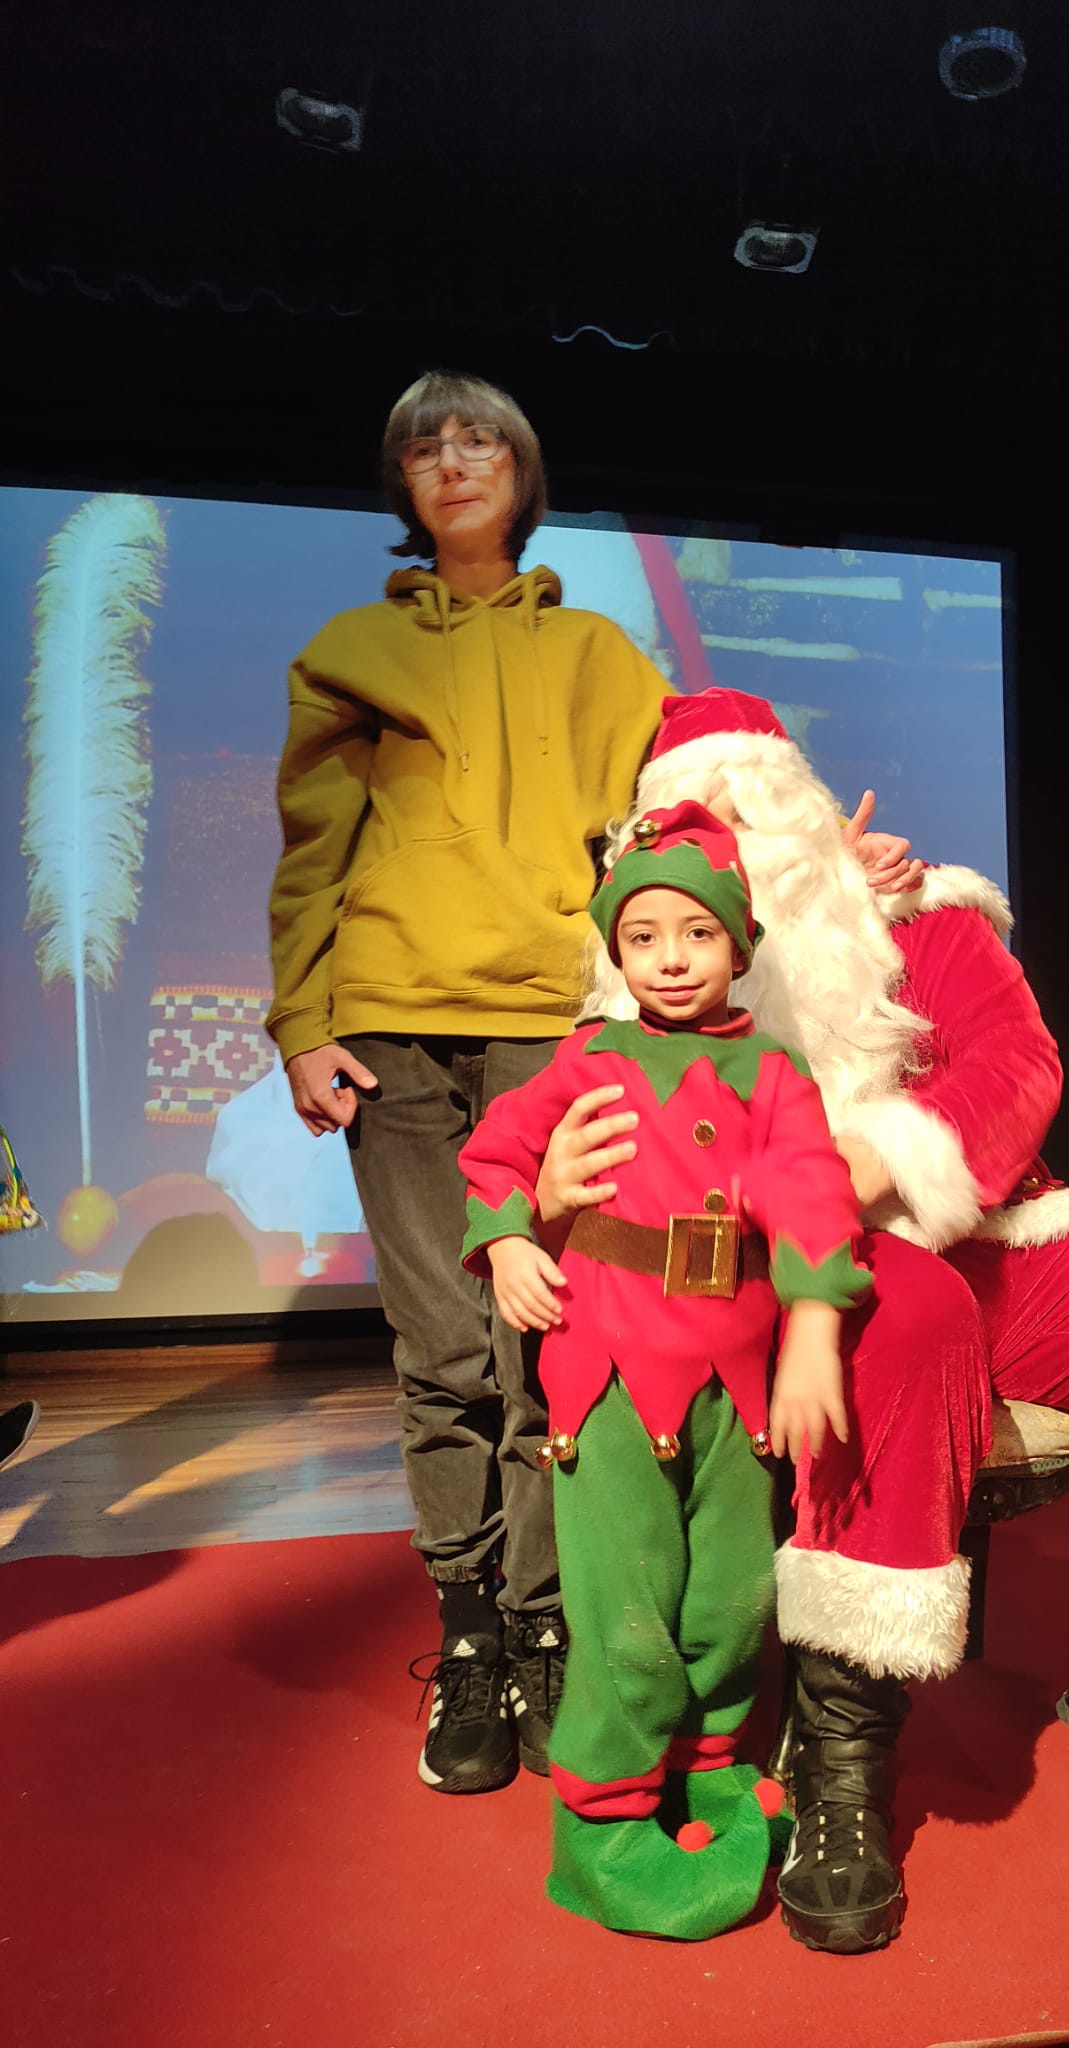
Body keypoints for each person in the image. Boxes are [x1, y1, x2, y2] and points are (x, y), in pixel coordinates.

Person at [539, 687, 1069, 1956]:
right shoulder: (646, 986)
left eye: (761, 803)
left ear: (803, 810)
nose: (743, 833)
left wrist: (880, 1158)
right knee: (901, 1319)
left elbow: (1018, 1065)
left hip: (990, 1230)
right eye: (708, 814)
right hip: (797, 1280)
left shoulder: (918, 913)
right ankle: (841, 1756)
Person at [266, 371, 673, 1794]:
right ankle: (471, 1637)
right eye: (425, 444)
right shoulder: (352, 649)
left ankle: (548, 1623)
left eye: (480, 437)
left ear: (523, 471)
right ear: (402, 482)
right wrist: (301, 1024)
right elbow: (312, 850)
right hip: (389, 1030)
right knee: (442, 1354)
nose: (453, 459)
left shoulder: (605, 656)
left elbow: (673, 823)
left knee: (542, 1347)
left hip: (546, 1032)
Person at [458, 800, 870, 1939]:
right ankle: (603, 1817)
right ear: (615, 949)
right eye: (642, 935)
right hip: (605, 1378)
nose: (670, 956)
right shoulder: (590, 1053)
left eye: (695, 931)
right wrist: (504, 1238)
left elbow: (810, 1194)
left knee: (732, 1598)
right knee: (626, 1609)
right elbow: (495, 1149)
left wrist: (813, 1332)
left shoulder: (771, 1069)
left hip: (734, 1388)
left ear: (740, 943)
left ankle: (708, 1763)